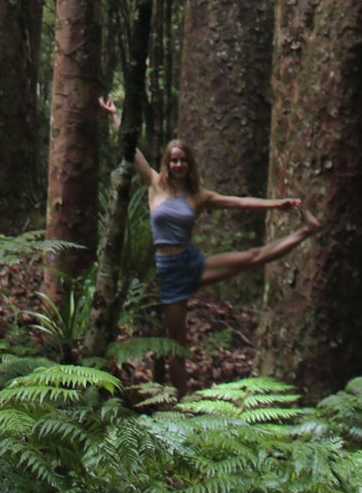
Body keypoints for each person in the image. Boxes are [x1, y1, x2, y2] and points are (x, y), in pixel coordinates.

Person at [99, 97, 320, 397]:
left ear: (189, 165)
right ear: (167, 163)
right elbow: (133, 151)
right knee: (177, 344)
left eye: (183, 160)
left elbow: (240, 202)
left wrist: (278, 204)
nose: (178, 164)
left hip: (193, 263)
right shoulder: (154, 184)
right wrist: (116, 116)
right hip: (170, 273)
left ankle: (305, 230)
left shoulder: (199, 197)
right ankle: (181, 404)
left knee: (253, 257)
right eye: (173, 160)